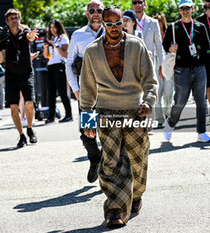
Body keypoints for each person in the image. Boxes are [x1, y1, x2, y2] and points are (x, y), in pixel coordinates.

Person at [80, 5, 158, 228]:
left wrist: (148, 102)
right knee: (111, 162)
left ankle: (136, 195)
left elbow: (150, 80)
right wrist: (87, 122)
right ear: (102, 24)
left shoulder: (136, 44)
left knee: (137, 158)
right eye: (109, 23)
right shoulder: (92, 51)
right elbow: (87, 89)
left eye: (118, 23)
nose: (114, 28)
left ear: (123, 22)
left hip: (135, 110)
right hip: (106, 111)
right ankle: (115, 209)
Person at [163, 0, 210, 142]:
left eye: (187, 8)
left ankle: (201, 132)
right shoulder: (173, 27)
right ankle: (170, 123)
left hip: (199, 68)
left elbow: (208, 50)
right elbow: (165, 44)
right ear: (179, 10)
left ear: (193, 9)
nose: (185, 11)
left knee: (201, 102)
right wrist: (170, 48)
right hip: (182, 70)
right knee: (180, 101)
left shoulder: (200, 27)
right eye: (182, 9)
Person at [66, 0, 105, 183]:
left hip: (109, 93)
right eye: (92, 10)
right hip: (87, 94)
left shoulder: (113, 31)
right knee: (87, 132)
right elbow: (68, 63)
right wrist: (75, 89)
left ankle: (108, 163)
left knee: (110, 129)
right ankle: (95, 158)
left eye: (99, 10)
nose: (96, 13)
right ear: (87, 14)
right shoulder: (78, 35)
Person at [0, 8, 38, 147]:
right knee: (14, 107)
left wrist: (31, 36)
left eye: (16, 17)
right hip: (11, 75)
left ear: (19, 19)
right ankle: (21, 136)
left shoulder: (25, 33)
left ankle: (30, 129)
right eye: (11, 18)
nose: (14, 20)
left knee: (29, 103)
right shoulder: (5, 38)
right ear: (7, 22)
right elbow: (0, 60)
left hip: (26, 74)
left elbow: (30, 38)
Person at [132, 0, 166, 128]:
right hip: (133, 63)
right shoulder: (129, 21)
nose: (137, 5)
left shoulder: (153, 22)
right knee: (136, 93)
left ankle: (150, 123)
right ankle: (138, 121)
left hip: (150, 63)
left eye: (140, 2)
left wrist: (161, 65)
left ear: (144, 4)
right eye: (134, 2)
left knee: (150, 91)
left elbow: (158, 44)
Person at [43, 19, 72, 123]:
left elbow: (65, 54)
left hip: (60, 65)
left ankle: (68, 115)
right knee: (50, 92)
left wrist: (56, 46)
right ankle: (51, 116)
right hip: (51, 65)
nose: (52, 29)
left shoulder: (62, 38)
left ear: (58, 27)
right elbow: (47, 56)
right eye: (50, 27)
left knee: (62, 92)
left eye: (54, 27)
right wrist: (46, 48)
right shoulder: (51, 39)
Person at [153, 13, 174, 129]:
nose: (158, 23)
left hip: (168, 64)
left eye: (160, 21)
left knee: (168, 92)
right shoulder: (152, 34)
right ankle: (159, 119)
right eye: (156, 20)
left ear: (163, 22)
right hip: (155, 63)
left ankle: (167, 113)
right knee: (157, 91)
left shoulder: (169, 34)